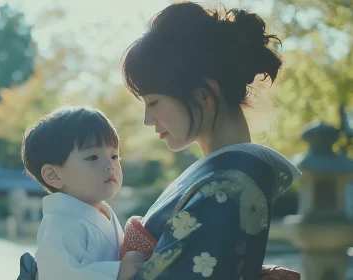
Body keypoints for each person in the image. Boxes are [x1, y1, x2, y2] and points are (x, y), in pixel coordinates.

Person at [118, 1, 301, 279]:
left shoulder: (227, 187)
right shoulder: (223, 177)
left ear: (203, 95)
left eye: (153, 101)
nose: (148, 119)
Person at [19, 106, 145, 280]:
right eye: (92, 157)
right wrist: (117, 272)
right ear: (53, 175)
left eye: (114, 156)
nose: (110, 165)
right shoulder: (60, 223)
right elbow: (59, 275)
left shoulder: (99, 211)